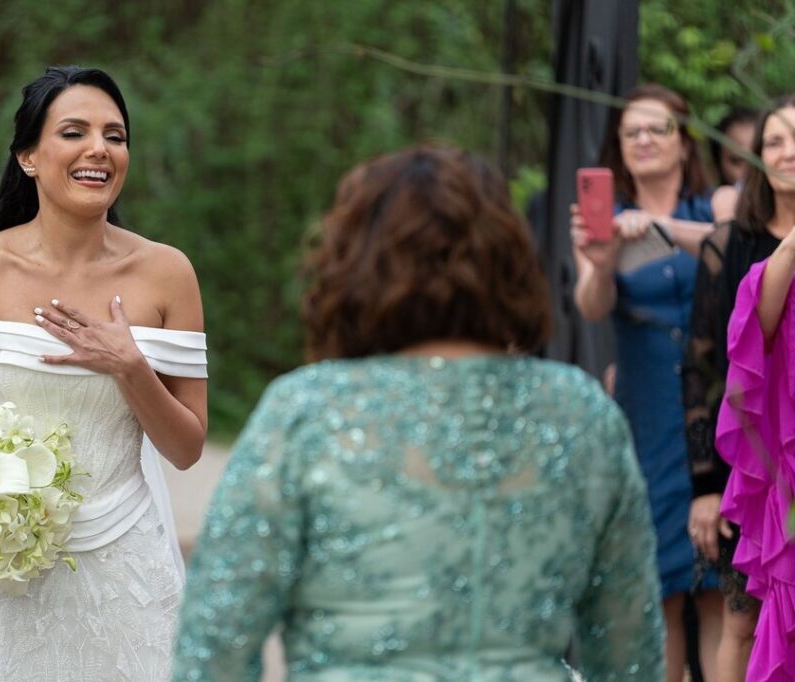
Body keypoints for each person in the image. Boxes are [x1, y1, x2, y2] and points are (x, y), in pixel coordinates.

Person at [172, 145, 664, 680]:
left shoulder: (306, 411)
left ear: (353, 266)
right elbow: (628, 653)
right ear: (511, 263)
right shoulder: (580, 412)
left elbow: (216, 642)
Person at [0, 66, 207, 681]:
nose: (100, 149)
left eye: (115, 136)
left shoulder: (168, 275)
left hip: (123, 570)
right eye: (75, 132)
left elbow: (187, 448)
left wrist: (129, 367)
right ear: (29, 157)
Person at [572, 83, 719, 681]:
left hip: (716, 400)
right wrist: (602, 263)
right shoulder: (601, 218)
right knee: (660, 585)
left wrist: (654, 225)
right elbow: (589, 305)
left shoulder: (718, 205)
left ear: (684, 142)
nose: (644, 141)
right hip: (648, 404)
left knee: (718, 586)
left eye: (657, 129)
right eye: (631, 133)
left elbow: (738, 251)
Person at [711, 97, 795, 681]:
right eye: (776, 139)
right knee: (747, 621)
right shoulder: (755, 262)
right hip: (780, 461)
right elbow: (750, 340)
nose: (789, 151)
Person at [710, 107, 758, 224]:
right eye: (738, 161)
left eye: (758, 160)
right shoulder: (697, 212)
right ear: (717, 166)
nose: (750, 171)